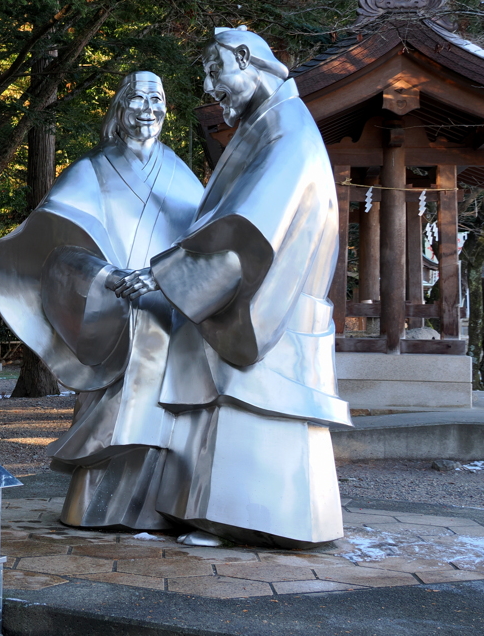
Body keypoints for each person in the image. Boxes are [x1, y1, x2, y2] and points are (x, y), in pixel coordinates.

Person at [110, 27, 351, 548]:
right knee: (226, 404)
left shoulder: (287, 130)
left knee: (252, 405)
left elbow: (249, 223)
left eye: (215, 70)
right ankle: (216, 514)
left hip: (271, 302)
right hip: (261, 299)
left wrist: (165, 272)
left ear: (246, 58)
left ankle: (243, 518)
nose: (208, 84)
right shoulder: (269, 124)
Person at [0, 71, 203, 529]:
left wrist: (164, 279)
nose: (148, 108)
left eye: (157, 99)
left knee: (166, 412)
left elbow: (202, 242)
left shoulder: (180, 174)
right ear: (120, 109)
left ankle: (164, 506)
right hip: (110, 314)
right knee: (114, 408)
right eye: (138, 98)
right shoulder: (91, 170)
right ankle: (98, 506)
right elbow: (55, 241)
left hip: (166, 311)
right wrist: (106, 276)